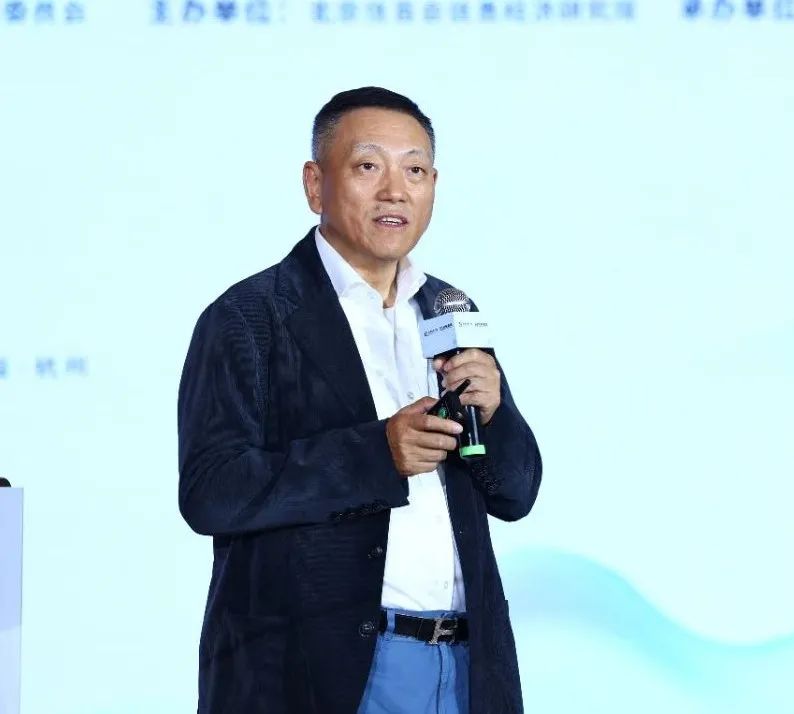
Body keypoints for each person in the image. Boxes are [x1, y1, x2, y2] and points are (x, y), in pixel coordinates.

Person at [177, 86, 541, 714]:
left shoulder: (449, 309)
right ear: (315, 184)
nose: (395, 190)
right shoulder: (249, 317)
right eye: (368, 166)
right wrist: (378, 454)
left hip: (465, 665)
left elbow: (516, 494)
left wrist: (497, 414)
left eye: (415, 170)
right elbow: (212, 491)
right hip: (322, 674)